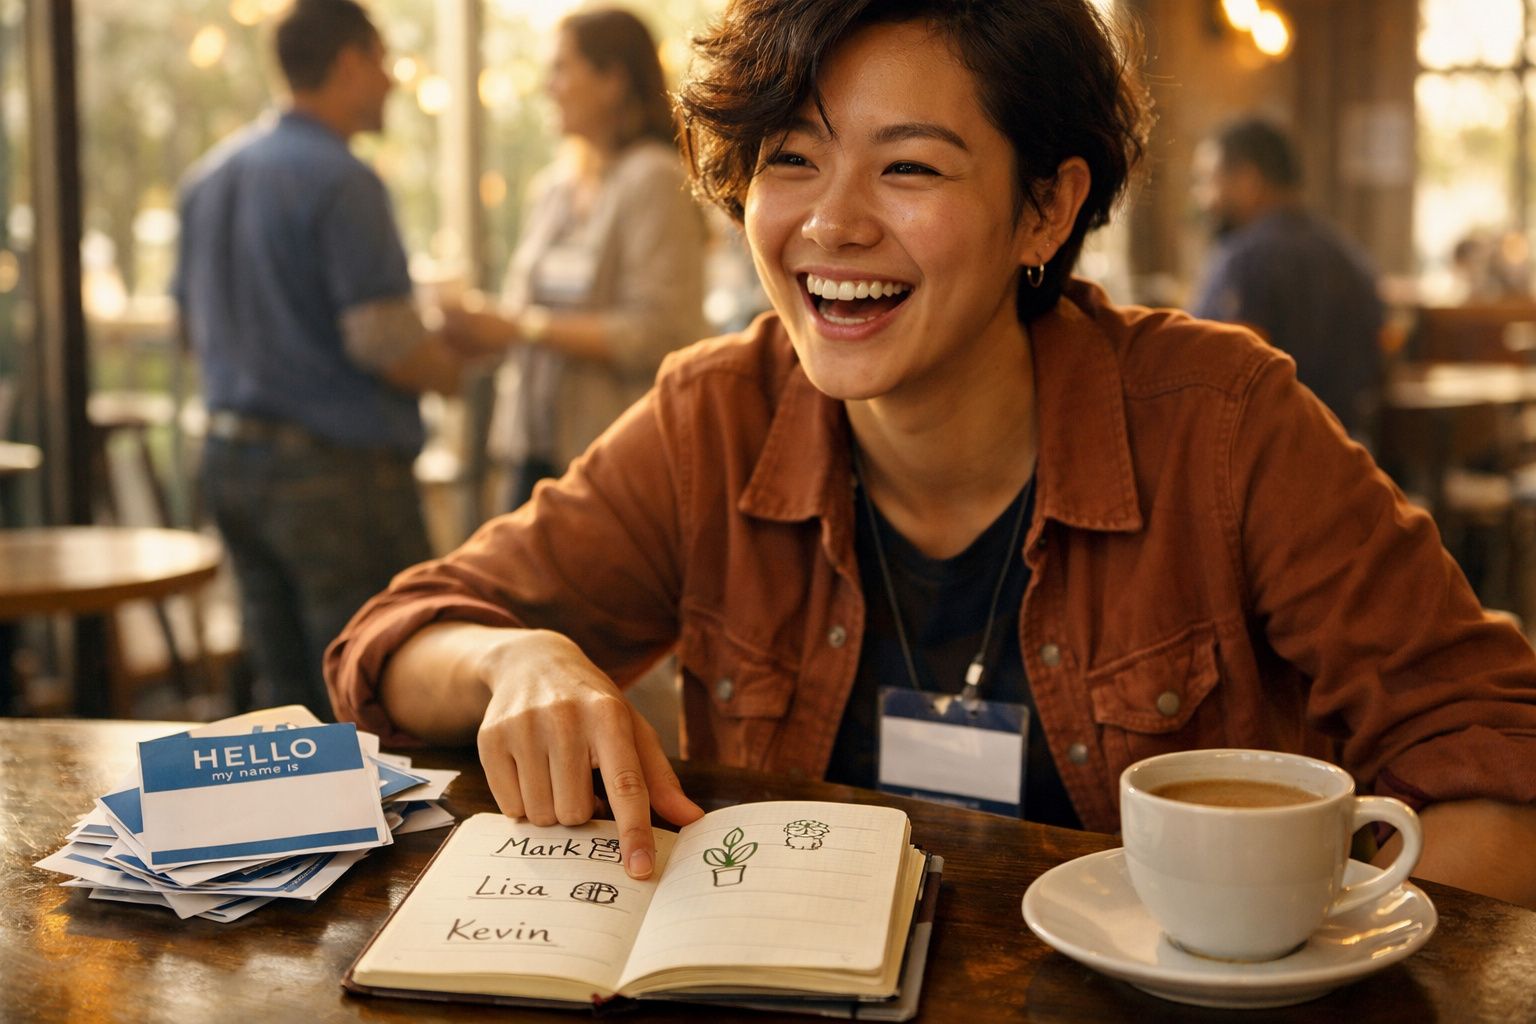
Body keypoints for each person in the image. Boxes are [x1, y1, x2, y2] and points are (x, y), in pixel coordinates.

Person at [326, 0, 1536, 906]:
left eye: (909, 166)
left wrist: (1316, 956)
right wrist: (516, 657)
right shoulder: (719, 417)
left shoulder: (1220, 422)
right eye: (792, 158)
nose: (832, 223)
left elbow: (1490, 745)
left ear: (1047, 211)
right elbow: (391, 643)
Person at [175, 0, 463, 716]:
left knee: (285, 698)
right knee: (374, 684)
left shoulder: (207, 179)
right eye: (384, 62)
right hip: (334, 478)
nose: (393, 81)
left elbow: (189, 327)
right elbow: (385, 344)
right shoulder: (343, 179)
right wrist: (456, 365)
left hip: (228, 462)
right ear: (349, 63)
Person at [441, 7, 705, 511]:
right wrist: (481, 332)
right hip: (531, 452)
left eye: (561, 68)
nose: (548, 87)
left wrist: (522, 329)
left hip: (616, 459)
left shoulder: (653, 180)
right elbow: (525, 319)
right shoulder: (553, 192)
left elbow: (661, 333)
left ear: (612, 80)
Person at [1190, 116, 1385, 441]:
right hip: (1348, 456)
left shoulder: (1246, 259)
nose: (1202, 197)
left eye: (1208, 180)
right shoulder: (1350, 256)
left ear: (1249, 181)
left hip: (1262, 465)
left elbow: (1222, 375)